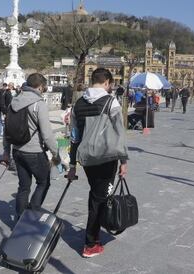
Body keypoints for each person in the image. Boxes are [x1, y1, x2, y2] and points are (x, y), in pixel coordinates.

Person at [67, 68, 128, 258]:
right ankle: (90, 243)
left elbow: (74, 137)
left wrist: (72, 165)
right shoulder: (111, 101)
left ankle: (95, 235)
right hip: (106, 157)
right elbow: (120, 132)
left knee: (97, 193)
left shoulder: (78, 104)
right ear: (107, 82)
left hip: (87, 158)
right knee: (98, 198)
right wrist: (123, 161)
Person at [3, 73, 60, 220]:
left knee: (24, 187)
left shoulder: (13, 102)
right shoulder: (38, 104)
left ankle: (20, 217)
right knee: (43, 182)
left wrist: (6, 152)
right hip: (34, 151)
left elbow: (7, 129)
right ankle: (31, 214)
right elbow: (47, 134)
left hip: (17, 151)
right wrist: (56, 153)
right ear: (40, 87)